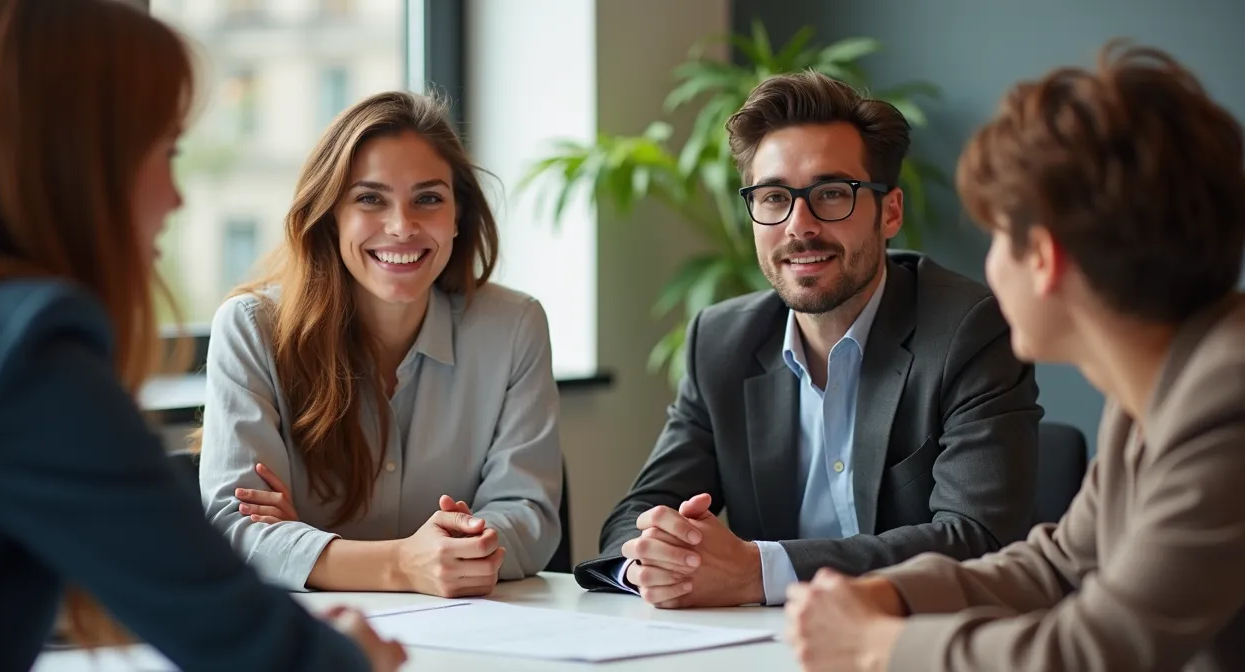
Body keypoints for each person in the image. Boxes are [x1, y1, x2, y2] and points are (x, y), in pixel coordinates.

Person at [0, 1, 405, 670]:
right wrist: (346, 655)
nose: (176, 198)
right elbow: (237, 635)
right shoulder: (23, 359)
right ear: (82, 160)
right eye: (166, 151)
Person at [783, 42, 1245, 672]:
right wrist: (891, 593)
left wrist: (878, 646)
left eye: (997, 235)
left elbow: (1098, 651)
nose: (989, 266)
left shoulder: (1226, 401)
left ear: (1045, 258)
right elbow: (1059, 564)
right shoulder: (1160, 388)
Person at [573, 70, 1042, 608]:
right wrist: (654, 564)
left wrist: (761, 572)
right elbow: (639, 514)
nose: (799, 225)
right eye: (774, 197)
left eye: (831, 193)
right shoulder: (721, 340)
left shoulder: (968, 329)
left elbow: (977, 542)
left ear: (889, 211)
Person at [196, 90, 562, 597]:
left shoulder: (514, 326)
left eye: (428, 199)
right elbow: (237, 532)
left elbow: (531, 517)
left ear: (458, 216)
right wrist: (407, 563)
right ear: (330, 216)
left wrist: (307, 549)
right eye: (370, 199)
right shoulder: (251, 330)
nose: (401, 226)